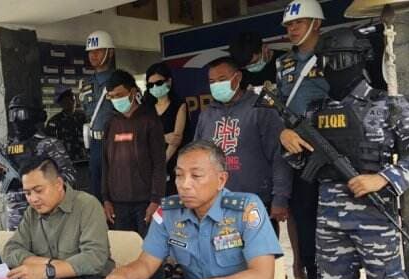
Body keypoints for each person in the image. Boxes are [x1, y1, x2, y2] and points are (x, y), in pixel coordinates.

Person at [280, 27, 409, 279]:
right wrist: (287, 139)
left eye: (338, 61)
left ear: (356, 60)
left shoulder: (391, 106)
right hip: (330, 220)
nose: (332, 70)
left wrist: (384, 179)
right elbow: (302, 163)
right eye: (327, 62)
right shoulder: (317, 113)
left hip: (375, 219)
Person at [99, 141, 281, 279]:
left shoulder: (246, 209)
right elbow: (146, 264)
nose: (184, 184)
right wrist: (121, 273)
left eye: (196, 176)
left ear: (221, 179)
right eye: (179, 175)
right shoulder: (168, 212)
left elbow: (262, 278)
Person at [194, 56, 292, 234]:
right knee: (222, 260)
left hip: (255, 203)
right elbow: (196, 159)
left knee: (258, 259)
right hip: (216, 204)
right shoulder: (206, 115)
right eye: (212, 81)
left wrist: (280, 198)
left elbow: (279, 156)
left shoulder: (261, 109)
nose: (216, 85)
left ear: (237, 78)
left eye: (222, 80)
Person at [277, 0, 328, 279]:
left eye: (297, 23)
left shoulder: (333, 53)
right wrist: (282, 132)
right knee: (303, 213)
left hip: (330, 147)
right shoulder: (284, 63)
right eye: (288, 25)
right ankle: (312, 276)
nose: (292, 29)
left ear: (316, 23)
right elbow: (277, 108)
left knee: (330, 214)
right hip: (297, 150)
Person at [4, 156, 114, 279]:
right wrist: (48, 264)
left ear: (58, 184)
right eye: (27, 193)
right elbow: (11, 250)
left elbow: (94, 257)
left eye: (39, 190)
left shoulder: (87, 205)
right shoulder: (32, 212)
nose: (33, 199)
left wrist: (47, 271)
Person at [0, 94, 76, 231]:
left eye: (20, 114)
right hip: (16, 217)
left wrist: (38, 183)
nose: (16, 120)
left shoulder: (48, 144)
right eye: (12, 115)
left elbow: (69, 177)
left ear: (34, 116)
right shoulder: (6, 148)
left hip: (45, 215)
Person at [102, 69, 166, 238]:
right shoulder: (111, 123)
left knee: (150, 254)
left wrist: (155, 200)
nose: (116, 100)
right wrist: (106, 199)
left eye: (120, 94)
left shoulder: (150, 121)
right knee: (123, 254)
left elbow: (160, 164)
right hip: (117, 205)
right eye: (112, 96)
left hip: (145, 203)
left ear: (133, 92)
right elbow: (105, 164)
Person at [144, 62, 192, 196]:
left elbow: (176, 139)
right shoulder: (146, 108)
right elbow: (142, 136)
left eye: (158, 83)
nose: (154, 87)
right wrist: (163, 137)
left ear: (169, 81)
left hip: (174, 163)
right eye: (150, 85)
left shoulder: (179, 105)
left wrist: (160, 163)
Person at [80, 30, 116, 201]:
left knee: (117, 188)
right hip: (94, 143)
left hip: (116, 141)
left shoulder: (119, 80)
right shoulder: (86, 84)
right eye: (90, 52)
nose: (93, 55)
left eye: (98, 51)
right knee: (96, 191)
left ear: (110, 52)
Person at [45, 87, 88, 162]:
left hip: (84, 160)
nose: (71, 103)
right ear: (61, 103)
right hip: (64, 162)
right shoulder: (54, 122)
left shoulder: (84, 117)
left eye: (73, 99)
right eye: (67, 101)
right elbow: (50, 145)